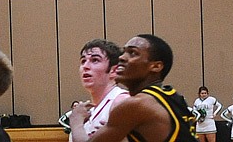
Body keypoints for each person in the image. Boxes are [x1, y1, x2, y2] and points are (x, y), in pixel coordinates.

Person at [69, 34, 197, 142]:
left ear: (156, 66)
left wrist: (76, 121)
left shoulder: (136, 104)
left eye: (133, 53)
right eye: (124, 52)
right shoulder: (171, 96)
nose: (122, 57)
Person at [70, 39, 129, 139]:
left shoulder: (121, 101)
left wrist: (76, 124)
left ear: (114, 71)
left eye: (95, 60)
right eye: (83, 61)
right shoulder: (86, 114)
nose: (85, 66)